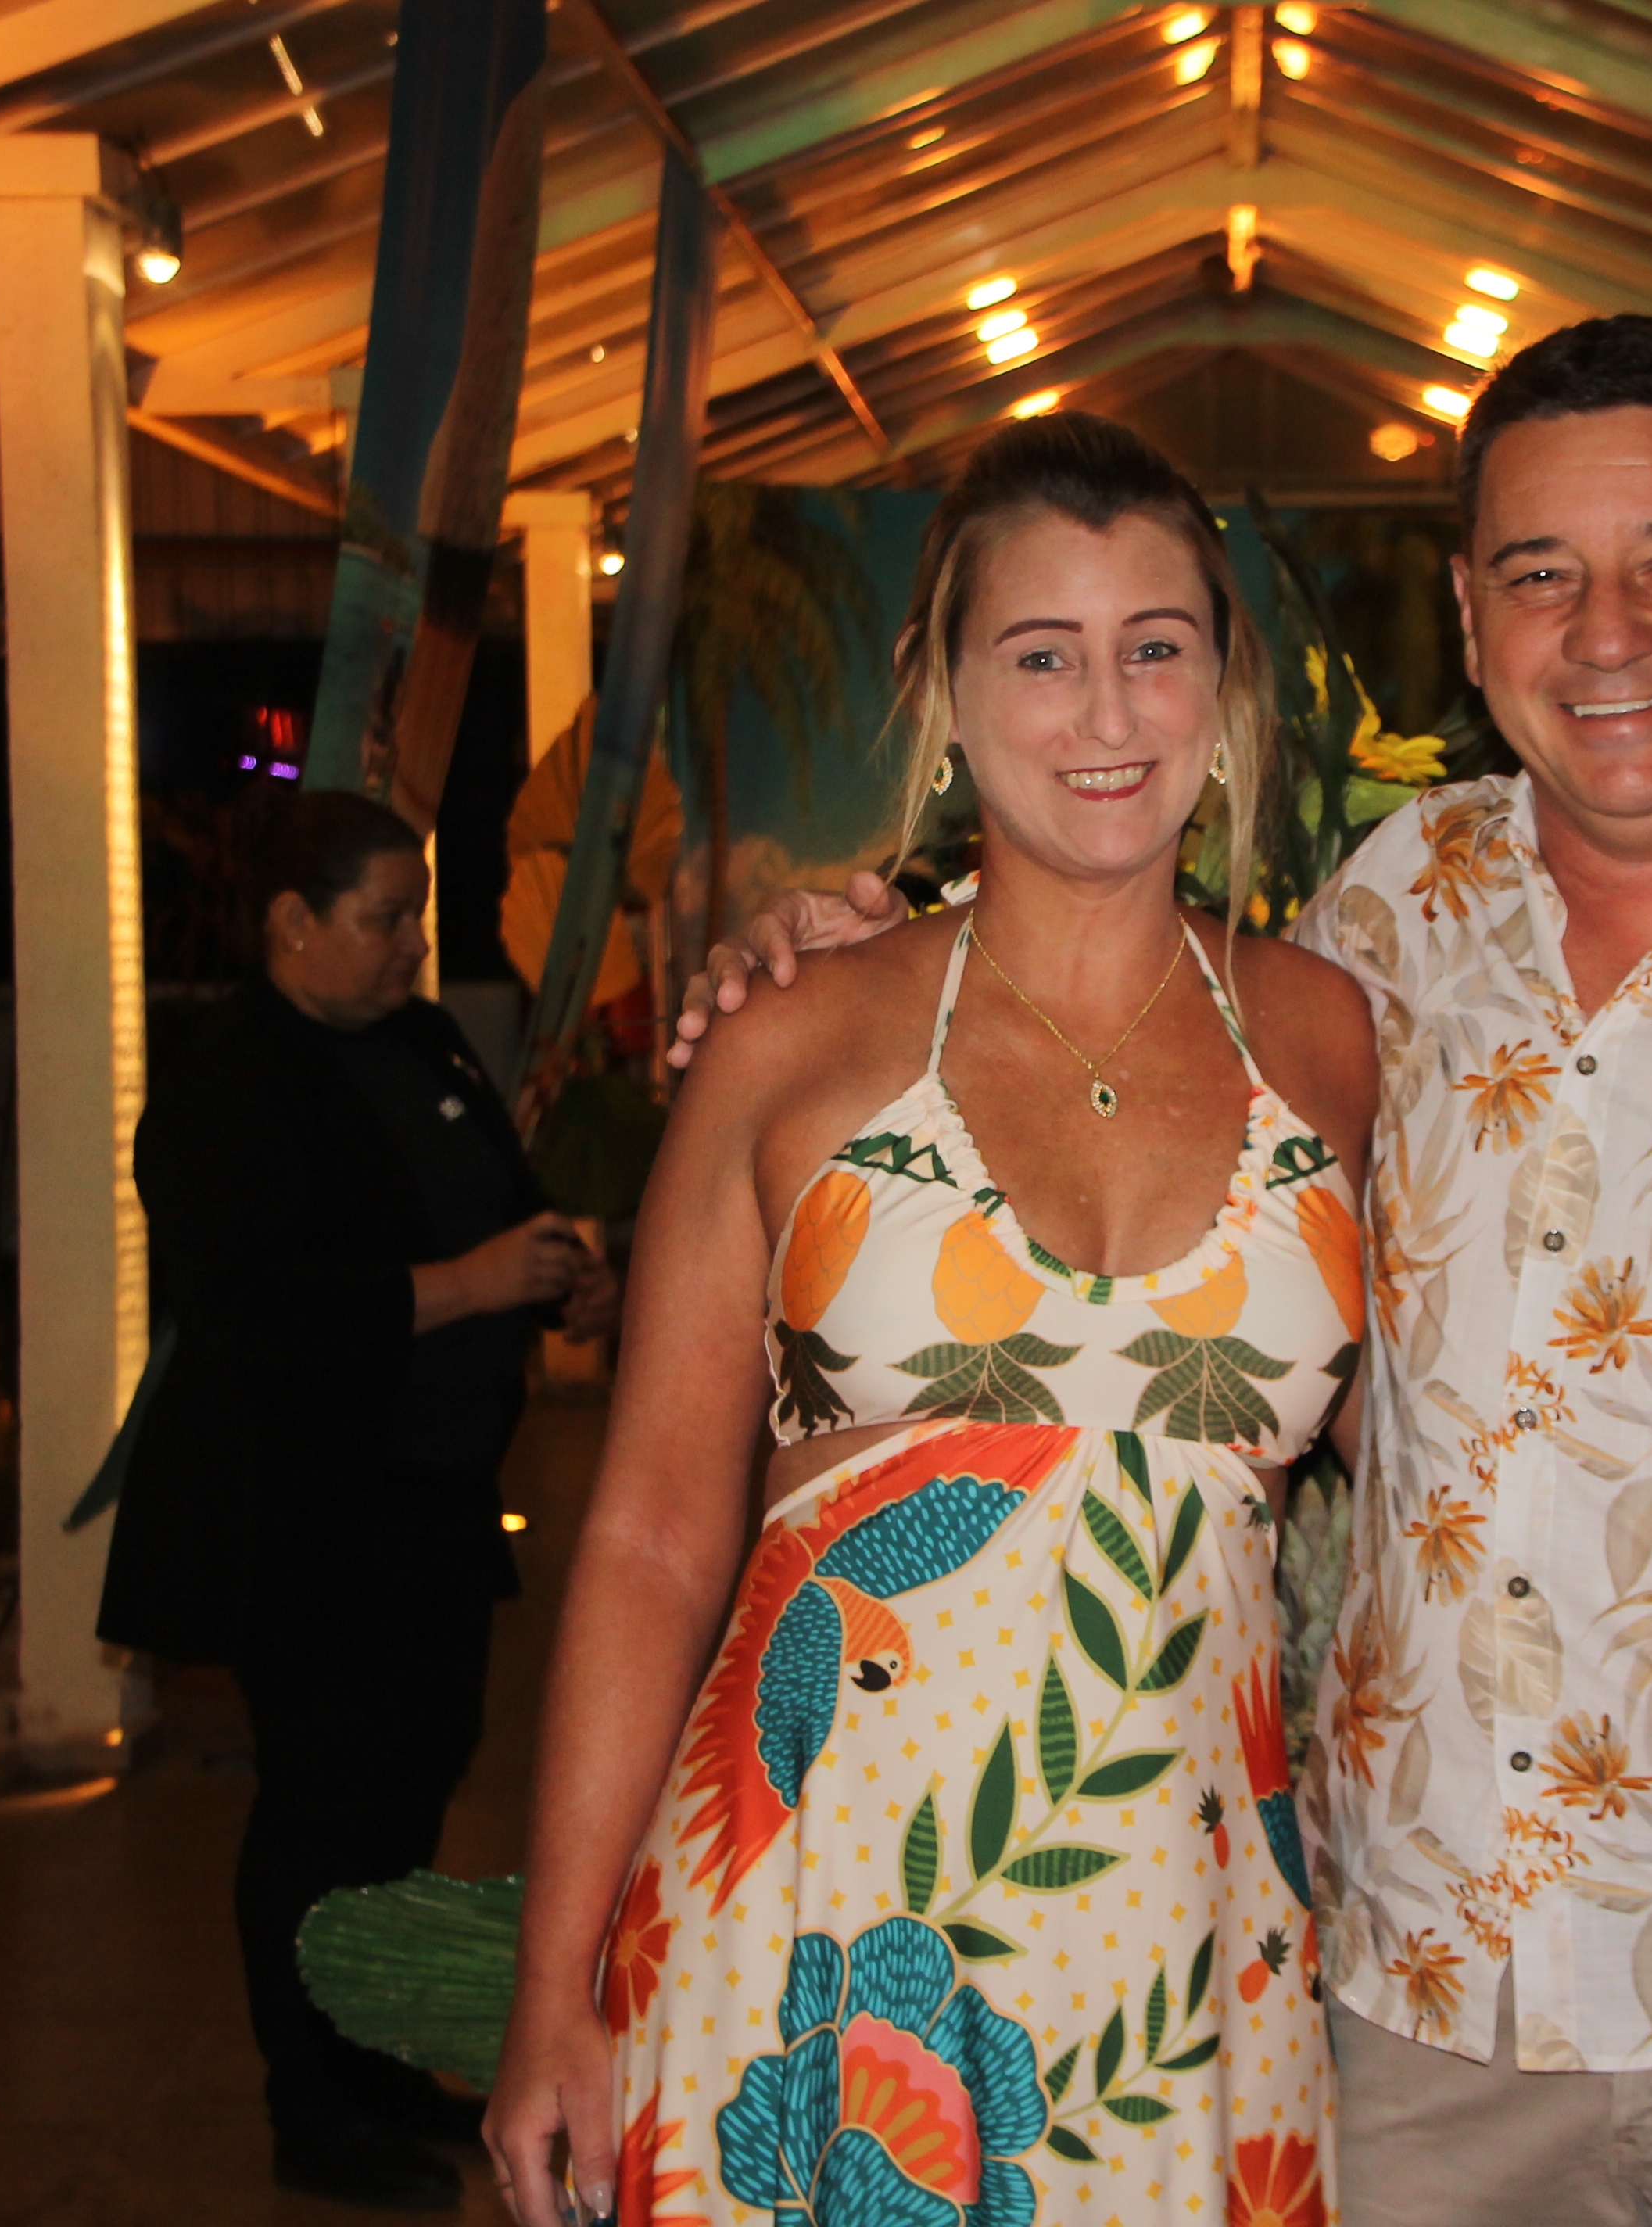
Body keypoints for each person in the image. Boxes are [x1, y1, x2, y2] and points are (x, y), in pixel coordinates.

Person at [680, 316, 1652, 2227]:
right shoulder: (1388, 919)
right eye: (1540, 573)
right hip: (1422, 1999)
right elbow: (1131, 1107)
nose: (1607, 632)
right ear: (1467, 609)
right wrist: (839, 957)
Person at [482, 414, 1377, 2227]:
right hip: (807, 1922)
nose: (1105, 711)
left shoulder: (1327, 1033)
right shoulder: (793, 1036)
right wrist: (552, 1981)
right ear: (943, 690)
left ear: (1222, 685)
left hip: (1191, 1946)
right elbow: (651, 1532)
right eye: (1041, 655)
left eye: (1154, 647)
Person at [101, 790, 618, 2212]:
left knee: (414, 1782)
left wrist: (564, 1280)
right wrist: (469, 1284)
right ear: (293, 921)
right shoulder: (225, 1084)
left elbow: (498, 1203)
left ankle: (382, 2064)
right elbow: (256, 1311)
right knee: (322, 1810)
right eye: (385, 919)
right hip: (301, 1515)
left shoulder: (423, 1041)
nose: (411, 947)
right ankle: (312, 2106)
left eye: (416, 919)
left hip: (432, 1500)